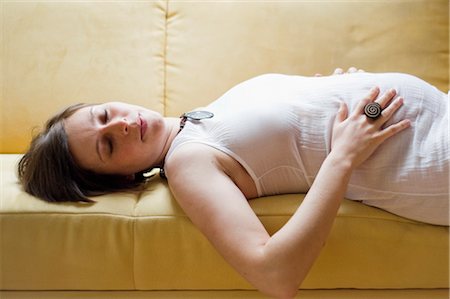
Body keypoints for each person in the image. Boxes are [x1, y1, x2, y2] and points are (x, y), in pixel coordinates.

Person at [18, 68, 449, 298]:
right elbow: (274, 275)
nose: (123, 125)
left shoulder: (199, 119)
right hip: (435, 157)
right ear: (124, 178)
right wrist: (342, 155)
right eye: (108, 146)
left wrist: (338, 89)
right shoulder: (188, 164)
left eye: (103, 114)